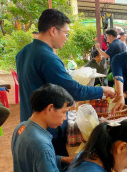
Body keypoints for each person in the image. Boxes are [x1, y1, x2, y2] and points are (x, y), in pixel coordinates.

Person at [15, 9, 115, 154]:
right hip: (48, 128)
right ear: (53, 31)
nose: (66, 37)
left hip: (29, 122)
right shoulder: (47, 57)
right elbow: (73, 91)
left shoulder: (24, 52)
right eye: (66, 33)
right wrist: (103, 90)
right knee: (54, 169)